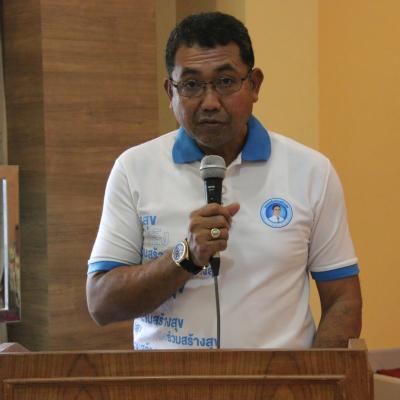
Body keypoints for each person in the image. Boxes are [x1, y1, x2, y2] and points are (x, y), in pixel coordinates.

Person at [86, 12, 362, 350]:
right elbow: (101, 303)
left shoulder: (311, 171)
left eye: (226, 81)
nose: (210, 102)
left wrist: (317, 378)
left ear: (255, 85)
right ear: (170, 92)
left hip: (279, 378)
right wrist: (186, 257)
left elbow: (343, 300)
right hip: (167, 378)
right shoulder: (134, 169)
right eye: (191, 85)